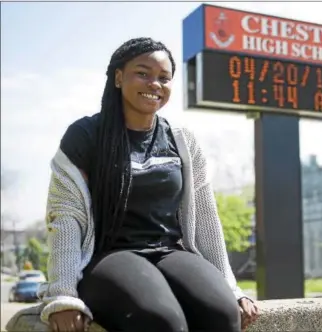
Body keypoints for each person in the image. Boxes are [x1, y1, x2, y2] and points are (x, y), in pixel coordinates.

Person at [37, 37, 259, 332]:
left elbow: (207, 218)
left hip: (169, 251)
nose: (154, 84)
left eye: (164, 78)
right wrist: (63, 296)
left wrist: (232, 288)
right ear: (118, 77)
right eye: (143, 73)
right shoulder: (85, 136)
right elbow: (65, 217)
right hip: (109, 256)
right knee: (162, 321)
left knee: (221, 312)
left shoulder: (182, 140)